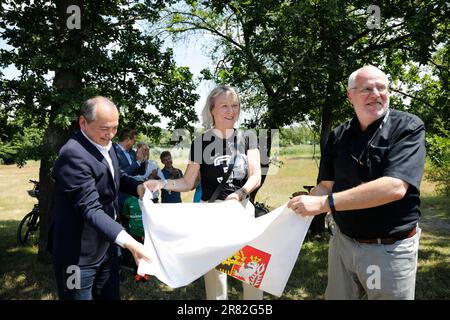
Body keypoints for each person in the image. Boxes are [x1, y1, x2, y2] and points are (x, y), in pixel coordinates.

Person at [287, 65, 426, 300]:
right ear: (349, 95)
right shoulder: (338, 135)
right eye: (366, 89)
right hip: (342, 243)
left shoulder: (408, 127)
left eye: (382, 88)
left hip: (388, 249)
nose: (376, 94)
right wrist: (303, 203)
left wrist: (324, 204)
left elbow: (394, 187)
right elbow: (326, 185)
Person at [144, 85, 263, 300]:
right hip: (212, 215)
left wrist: (240, 194)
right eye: (224, 106)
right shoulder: (201, 142)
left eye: (235, 105)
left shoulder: (248, 138)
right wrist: (161, 185)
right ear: (212, 111)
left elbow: (256, 176)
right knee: (216, 278)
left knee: (251, 274)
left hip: (242, 210)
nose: (231, 111)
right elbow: (188, 182)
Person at [48, 96, 152, 300]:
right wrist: (130, 242)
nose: (111, 134)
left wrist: (137, 186)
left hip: (107, 248)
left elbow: (114, 176)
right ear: (83, 123)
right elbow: (90, 208)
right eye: (105, 128)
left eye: (115, 128)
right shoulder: (72, 155)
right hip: (76, 256)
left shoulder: (107, 143)